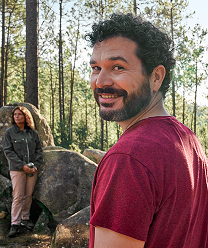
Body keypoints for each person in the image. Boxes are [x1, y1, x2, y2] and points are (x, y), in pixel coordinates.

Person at [85, 13, 208, 248]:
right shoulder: (188, 139)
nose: (100, 81)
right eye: (95, 67)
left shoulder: (129, 159)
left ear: (156, 77)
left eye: (117, 67)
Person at [3, 106, 43, 238]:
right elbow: (8, 151)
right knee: (18, 196)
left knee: (28, 195)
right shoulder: (10, 132)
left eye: (19, 114)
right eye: (15, 114)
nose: (16, 116)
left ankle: (25, 220)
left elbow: (39, 150)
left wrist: (35, 165)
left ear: (25, 116)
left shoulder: (33, 133)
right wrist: (22, 166)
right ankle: (15, 224)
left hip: (32, 170)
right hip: (17, 170)